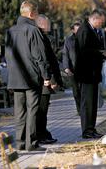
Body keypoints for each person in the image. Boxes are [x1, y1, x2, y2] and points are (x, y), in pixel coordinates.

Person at [5, 0, 50, 151]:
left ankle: (20, 142)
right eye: (36, 14)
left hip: (16, 77)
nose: (37, 17)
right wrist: (46, 76)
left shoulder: (10, 31)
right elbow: (40, 56)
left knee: (19, 111)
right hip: (31, 77)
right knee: (32, 110)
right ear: (31, 14)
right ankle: (31, 143)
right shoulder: (33, 30)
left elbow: (8, 55)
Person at [75, 9, 106, 139]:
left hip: (92, 73)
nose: (101, 24)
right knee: (87, 104)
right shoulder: (84, 30)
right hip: (86, 74)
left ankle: (91, 128)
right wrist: (102, 53)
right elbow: (84, 51)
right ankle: (86, 130)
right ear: (95, 19)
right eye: (101, 22)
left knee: (92, 103)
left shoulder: (92, 30)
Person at [35, 14, 63, 144]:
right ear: (40, 23)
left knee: (44, 109)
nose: (50, 26)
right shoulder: (40, 38)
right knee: (42, 109)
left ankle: (43, 133)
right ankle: (41, 134)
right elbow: (44, 60)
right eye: (47, 23)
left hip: (44, 78)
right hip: (42, 80)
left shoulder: (44, 37)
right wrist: (50, 79)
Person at [62, 20, 81, 115]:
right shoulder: (68, 41)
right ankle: (79, 109)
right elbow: (65, 54)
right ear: (73, 30)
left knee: (84, 91)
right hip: (72, 70)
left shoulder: (85, 39)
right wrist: (66, 68)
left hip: (84, 70)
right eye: (77, 30)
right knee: (76, 92)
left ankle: (85, 109)